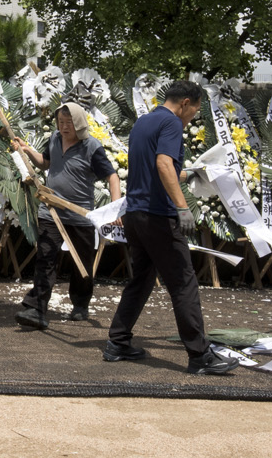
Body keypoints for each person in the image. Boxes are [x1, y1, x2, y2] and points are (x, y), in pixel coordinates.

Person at [104, 80, 236, 375]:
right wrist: (182, 207)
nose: (192, 118)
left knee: (141, 280)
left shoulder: (143, 123)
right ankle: (200, 355)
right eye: (194, 111)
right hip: (159, 216)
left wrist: (188, 174)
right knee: (183, 282)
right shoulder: (172, 123)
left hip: (136, 214)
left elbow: (155, 167)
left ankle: (118, 342)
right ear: (185, 103)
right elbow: (164, 164)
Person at [15, 102, 121, 327]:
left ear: (79, 123)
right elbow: (46, 163)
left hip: (79, 214)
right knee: (45, 257)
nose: (64, 127)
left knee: (81, 263)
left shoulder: (91, 147)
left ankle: (81, 303)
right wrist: (28, 151)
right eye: (61, 122)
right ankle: (36, 309)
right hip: (51, 210)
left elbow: (112, 177)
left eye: (69, 123)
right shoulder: (54, 138)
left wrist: (116, 208)